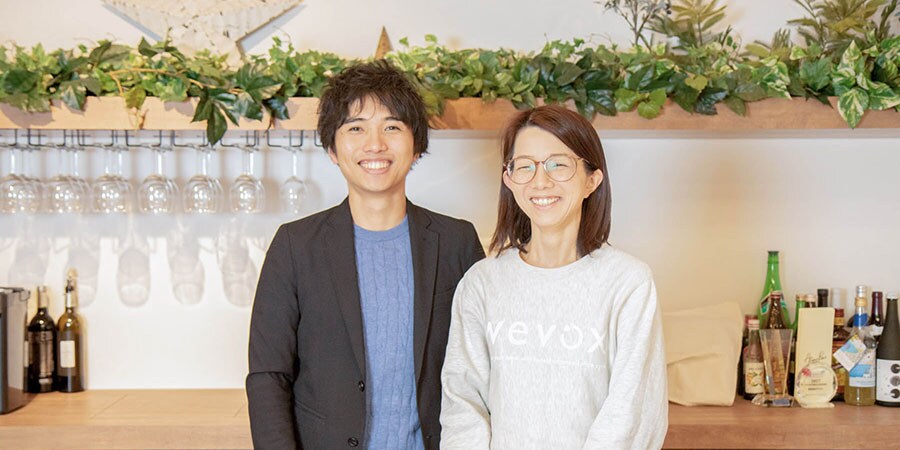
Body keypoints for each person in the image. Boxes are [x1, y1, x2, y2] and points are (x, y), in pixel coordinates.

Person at [247, 60, 485, 450]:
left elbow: (480, 370)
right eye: (355, 128)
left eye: (392, 127)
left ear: (416, 145)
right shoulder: (295, 246)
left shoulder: (457, 242)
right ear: (332, 148)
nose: (375, 144)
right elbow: (268, 375)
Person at [439, 105, 668, 449]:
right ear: (509, 180)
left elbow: (633, 410)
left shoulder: (628, 283)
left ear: (592, 180)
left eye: (558, 164)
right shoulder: (482, 283)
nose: (540, 181)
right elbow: (463, 403)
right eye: (525, 166)